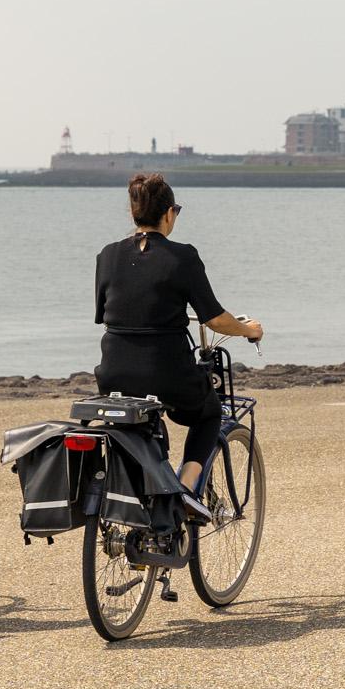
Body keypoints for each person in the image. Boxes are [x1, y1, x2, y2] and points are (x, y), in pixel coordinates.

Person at [93, 174, 264, 529]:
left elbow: (106, 313)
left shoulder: (108, 255)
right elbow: (214, 319)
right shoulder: (183, 256)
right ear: (169, 213)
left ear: (133, 212)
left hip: (113, 374)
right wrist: (249, 329)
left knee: (144, 418)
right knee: (209, 413)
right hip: (166, 372)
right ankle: (185, 491)